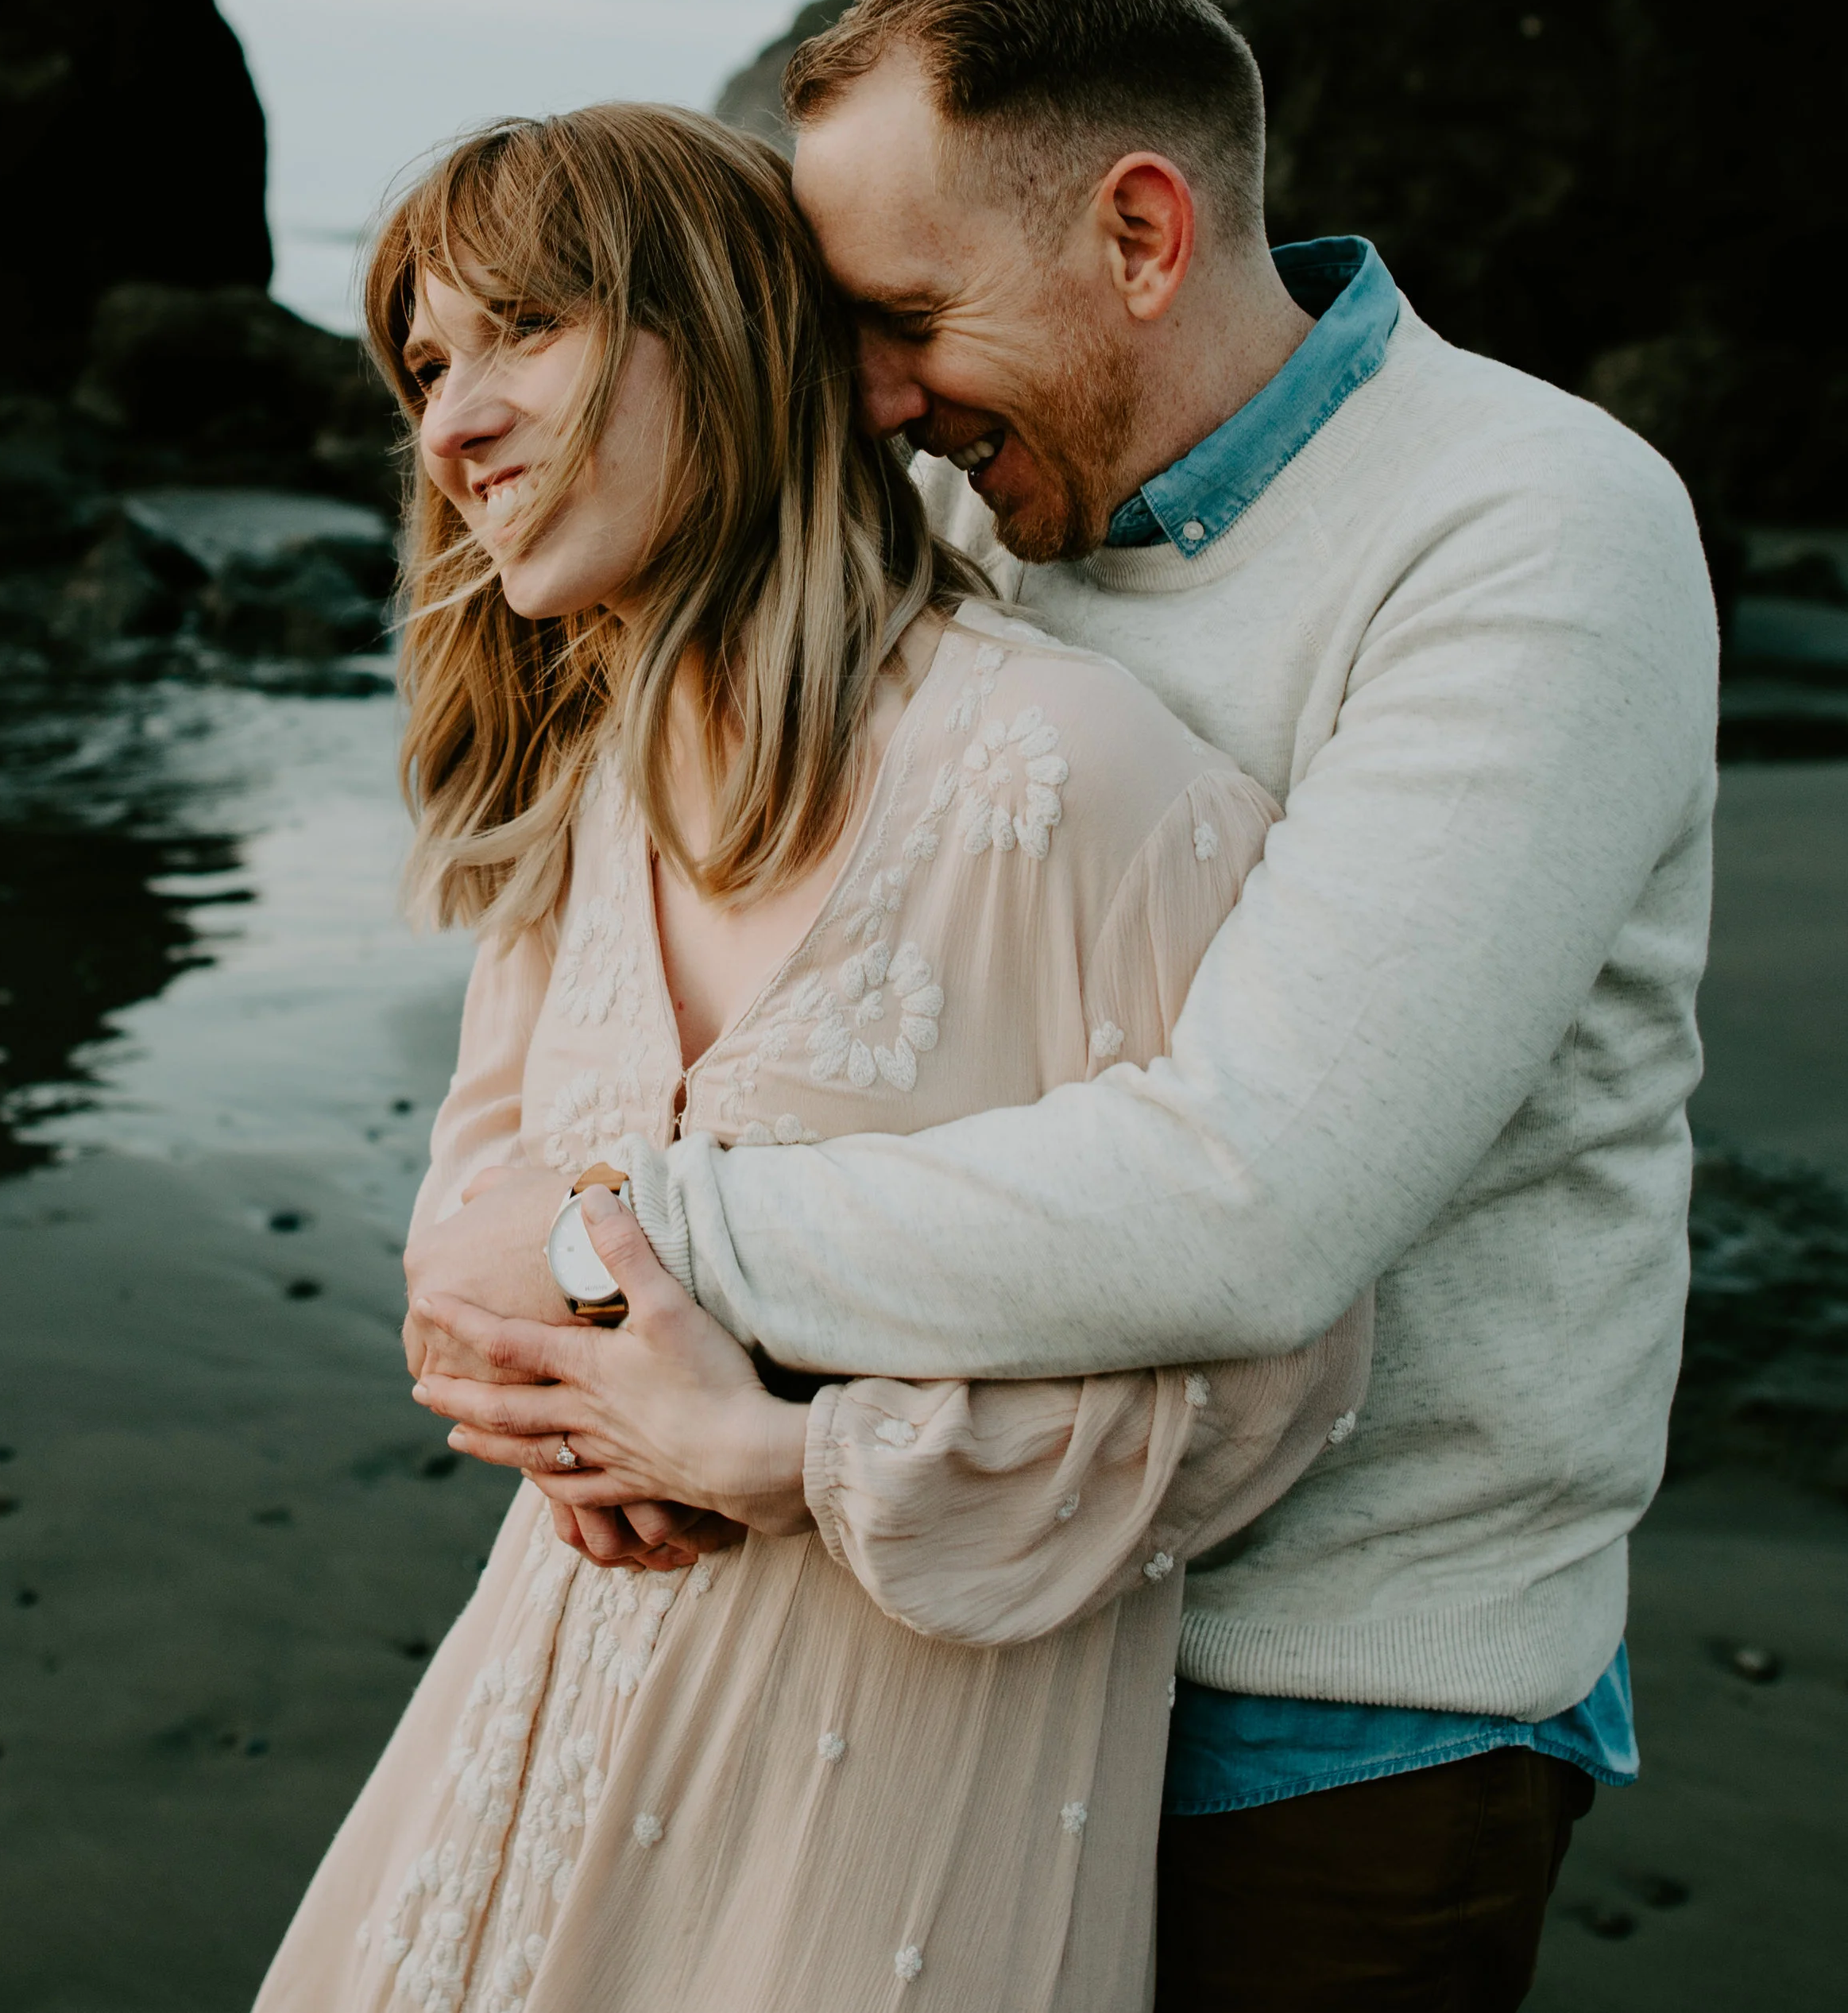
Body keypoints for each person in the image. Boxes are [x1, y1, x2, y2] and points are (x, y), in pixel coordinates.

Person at [414, 0, 1720, 2011]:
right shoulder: (964, 522)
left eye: (904, 313)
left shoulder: (1525, 529)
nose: (865, 392)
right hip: (908, 1643)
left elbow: (1252, 1192)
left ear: (1136, 232)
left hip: (1320, 1700)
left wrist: (605, 1240)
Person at [253, 101, 1367, 2013]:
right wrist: (523, 1378)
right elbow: (470, 1220)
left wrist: (789, 1457)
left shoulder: (1073, 778)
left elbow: (1283, 1359)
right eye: (426, 365)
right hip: (523, 1732)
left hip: (874, 1816)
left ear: (740, 337)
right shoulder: (591, 795)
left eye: (525, 329)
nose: (448, 425)